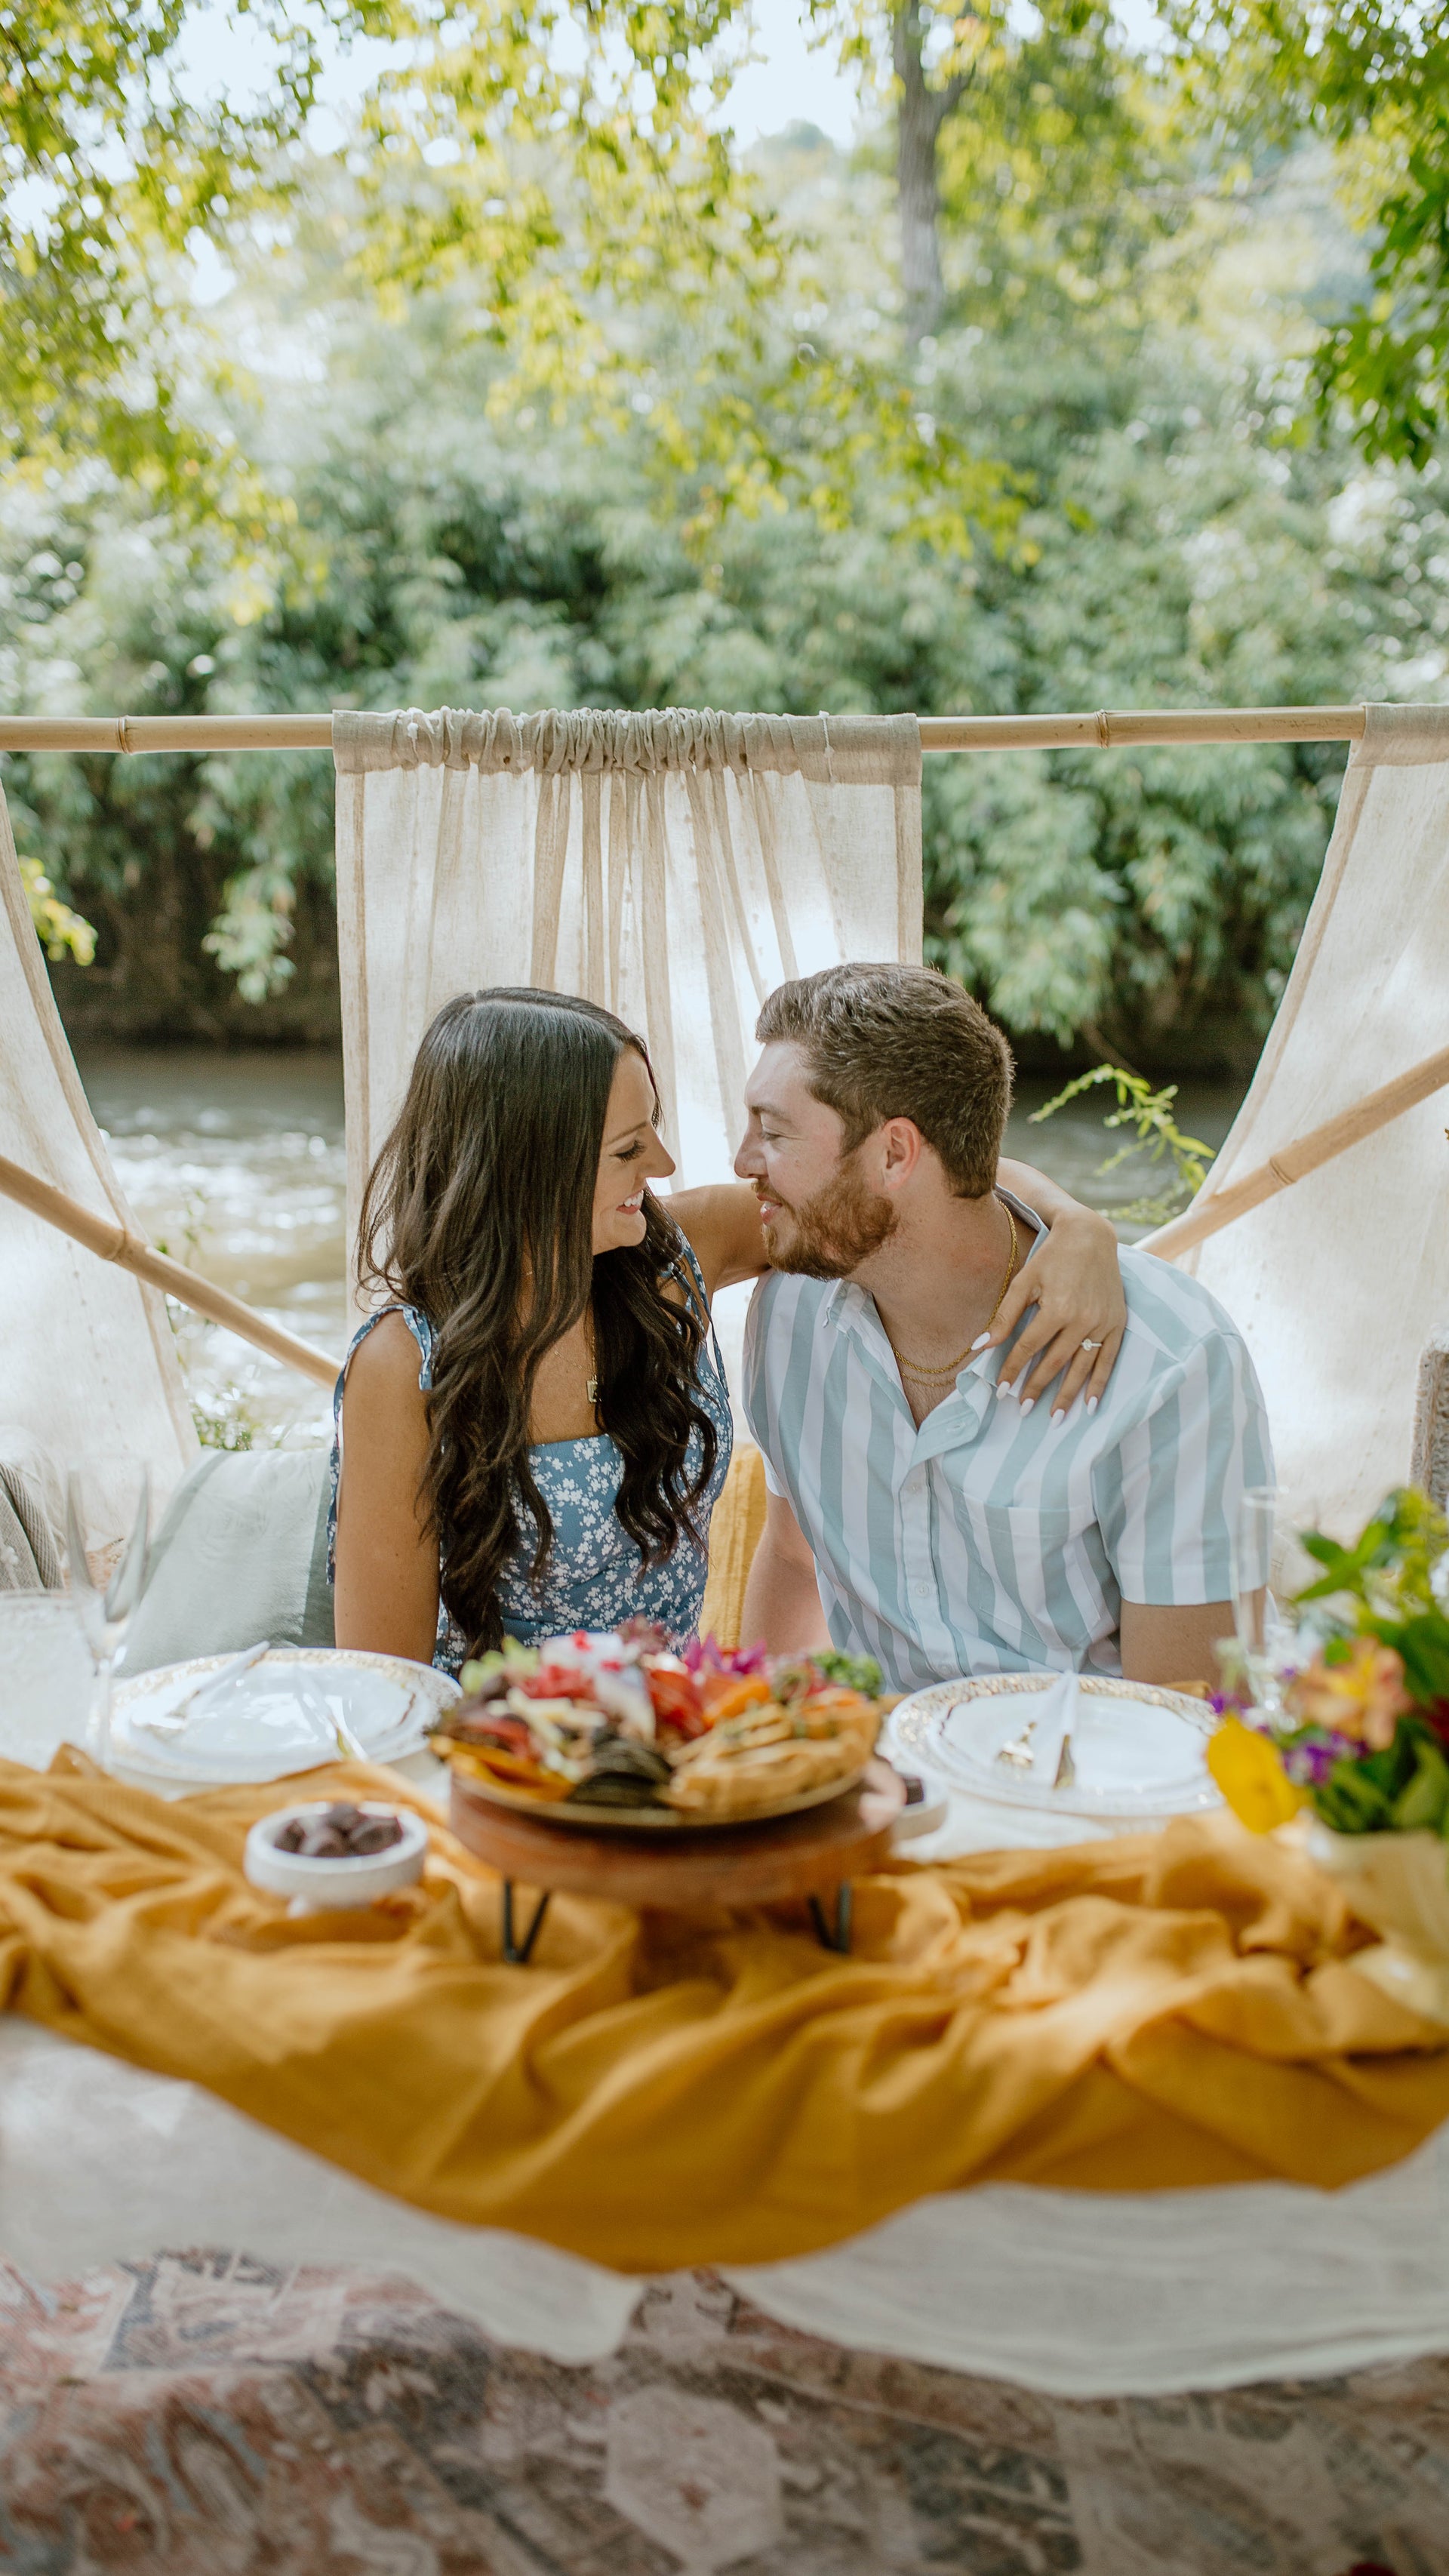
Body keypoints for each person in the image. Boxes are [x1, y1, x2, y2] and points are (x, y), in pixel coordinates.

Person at [330, 986, 1127, 1672]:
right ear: (529, 1168)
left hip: (676, 1743)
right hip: (496, 1765)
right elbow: (383, 1687)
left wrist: (1075, 1222)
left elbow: (921, 1183)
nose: (666, 1161)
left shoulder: (669, 1253)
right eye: (629, 1147)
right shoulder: (404, 1365)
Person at [737, 962, 1274, 1691]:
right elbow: (797, 1563)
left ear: (894, 1152)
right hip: (879, 1783)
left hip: (1083, 1792)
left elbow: (1191, 1709)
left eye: (772, 1133)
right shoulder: (790, 1308)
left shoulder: (1171, 1364)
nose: (744, 1161)